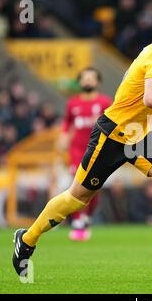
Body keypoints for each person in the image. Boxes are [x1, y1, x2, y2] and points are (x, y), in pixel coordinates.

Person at [12, 4, 152, 277]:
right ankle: (26, 239)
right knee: (77, 198)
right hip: (112, 134)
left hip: (136, 134)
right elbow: (151, 98)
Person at [59, 67, 112, 241]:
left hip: (98, 151)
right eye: (85, 78)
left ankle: (86, 218)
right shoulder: (72, 103)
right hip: (77, 150)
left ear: (98, 82)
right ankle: (77, 222)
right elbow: (67, 123)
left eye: (92, 78)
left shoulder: (105, 102)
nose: (88, 81)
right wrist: (63, 137)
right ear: (80, 82)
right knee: (77, 184)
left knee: (94, 188)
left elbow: (113, 123)